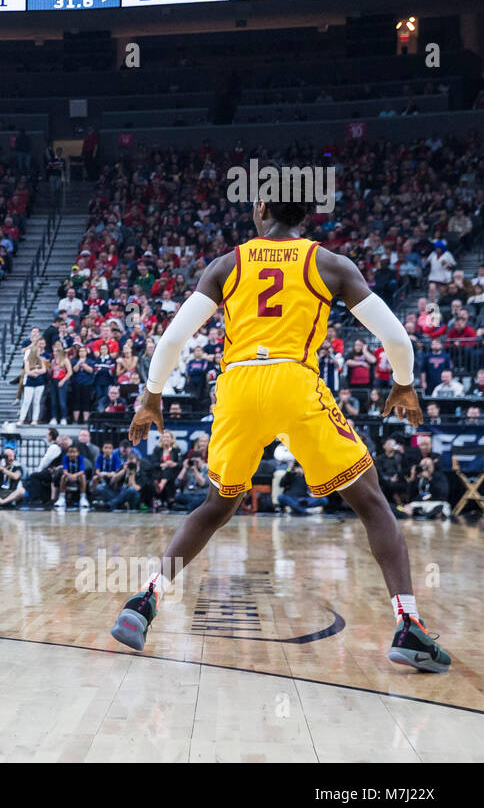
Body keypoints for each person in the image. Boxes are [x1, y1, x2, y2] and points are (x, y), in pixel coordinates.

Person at [112, 197, 450, 673]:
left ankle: (144, 601)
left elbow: (170, 341)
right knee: (372, 504)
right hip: (295, 382)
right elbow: (397, 339)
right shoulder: (329, 263)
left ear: (262, 208)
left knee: (216, 506)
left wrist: (151, 397)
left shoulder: (227, 263)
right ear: (305, 216)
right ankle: (409, 625)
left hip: (238, 387)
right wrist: (404, 384)